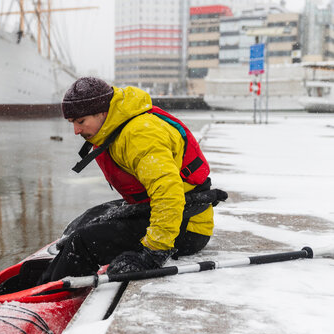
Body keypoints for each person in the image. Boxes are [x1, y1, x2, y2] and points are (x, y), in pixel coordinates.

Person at [38, 77, 227, 284]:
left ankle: (51, 290)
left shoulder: (139, 135)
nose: (75, 130)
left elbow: (168, 194)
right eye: (72, 123)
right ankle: (48, 272)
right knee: (88, 219)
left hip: (188, 227)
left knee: (84, 242)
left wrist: (154, 251)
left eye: (80, 121)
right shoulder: (117, 127)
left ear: (102, 112)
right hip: (172, 212)